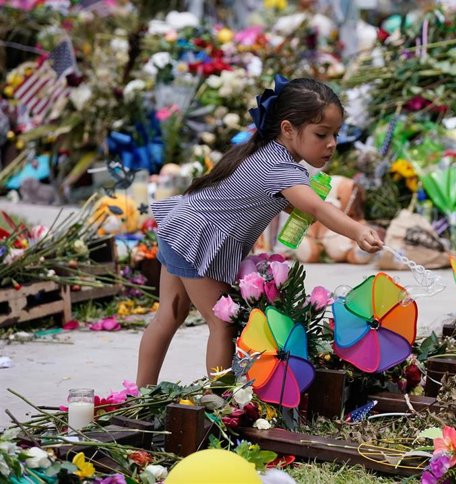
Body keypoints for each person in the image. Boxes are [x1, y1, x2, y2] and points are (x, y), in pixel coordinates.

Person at [136, 76, 383, 387]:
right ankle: (223, 401)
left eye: (335, 133)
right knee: (222, 324)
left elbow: (276, 200)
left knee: (168, 317)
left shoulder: (266, 152)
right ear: (288, 129)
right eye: (322, 134)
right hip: (200, 239)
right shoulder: (281, 168)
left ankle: (142, 392)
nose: (331, 143)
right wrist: (357, 230)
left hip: (183, 226)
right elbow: (319, 209)